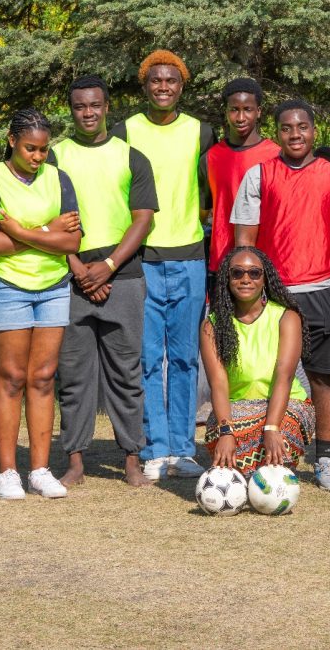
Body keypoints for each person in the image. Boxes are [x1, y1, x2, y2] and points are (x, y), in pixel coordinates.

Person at [232, 98, 330, 490]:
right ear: (277, 133)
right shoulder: (259, 175)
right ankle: (271, 453)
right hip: (274, 297)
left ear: (313, 131)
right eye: (288, 128)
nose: (296, 134)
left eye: (302, 127)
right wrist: (255, 295)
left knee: (324, 378)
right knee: (273, 375)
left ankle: (325, 459)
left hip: (323, 290)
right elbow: (245, 243)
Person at [110, 49, 216, 480]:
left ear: (181, 85)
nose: (163, 87)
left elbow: (209, 193)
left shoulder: (201, 131)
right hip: (143, 259)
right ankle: (154, 448)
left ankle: (182, 449)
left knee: (187, 357)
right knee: (149, 358)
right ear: (145, 85)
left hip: (190, 253)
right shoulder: (125, 131)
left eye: (171, 81)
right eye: (155, 81)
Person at [51, 75, 158, 488]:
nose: (88, 113)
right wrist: (76, 266)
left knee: (126, 371)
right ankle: (75, 459)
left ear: (107, 106)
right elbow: (47, 216)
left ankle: (132, 457)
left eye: (95, 105)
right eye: (80, 106)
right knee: (73, 373)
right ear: (72, 109)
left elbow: (143, 219)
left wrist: (109, 265)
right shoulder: (55, 157)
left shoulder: (131, 157)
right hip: (70, 276)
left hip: (123, 276)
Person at [0, 108, 82, 500]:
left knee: (43, 377)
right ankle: (6, 471)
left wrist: (18, 230)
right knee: (11, 377)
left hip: (53, 286)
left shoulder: (58, 178)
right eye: (30, 149)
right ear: (11, 140)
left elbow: (72, 242)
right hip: (7, 286)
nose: (37, 157)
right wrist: (46, 231)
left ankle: (39, 468)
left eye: (42, 150)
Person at [201, 246, 315, 475]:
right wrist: (225, 431)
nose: (246, 279)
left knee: (282, 429)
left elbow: (284, 377)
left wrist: (272, 427)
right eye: (237, 273)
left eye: (254, 273)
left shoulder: (286, 316)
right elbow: (218, 384)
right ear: (226, 279)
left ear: (265, 279)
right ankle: (243, 475)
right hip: (237, 405)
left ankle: (266, 476)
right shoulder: (212, 325)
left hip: (285, 403)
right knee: (220, 431)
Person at [200, 77, 280, 288]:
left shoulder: (276, 155)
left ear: (259, 111)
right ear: (226, 111)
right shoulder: (211, 158)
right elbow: (204, 210)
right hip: (223, 262)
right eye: (234, 109)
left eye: (248, 109)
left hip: (266, 262)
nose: (241, 117)